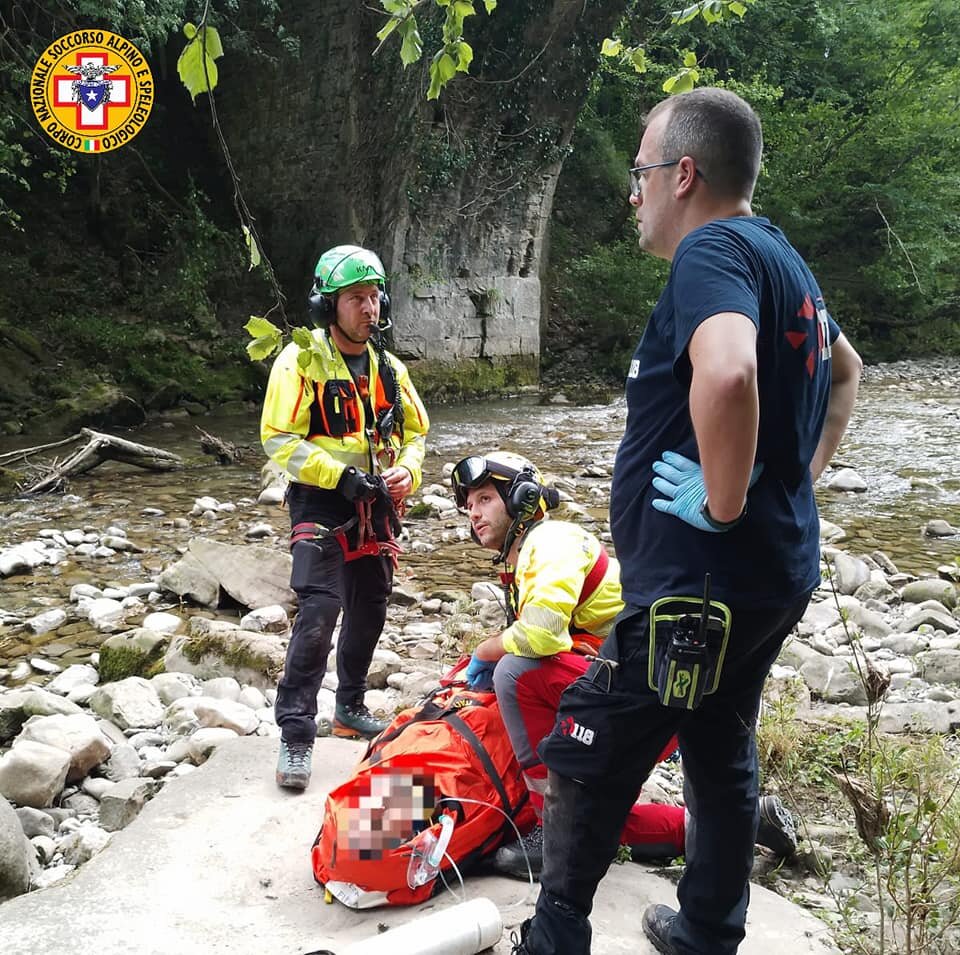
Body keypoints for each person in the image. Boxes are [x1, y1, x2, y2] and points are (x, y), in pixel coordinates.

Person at [512, 88, 863, 955]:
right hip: (768, 573)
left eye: (640, 172)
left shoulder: (710, 252)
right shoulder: (783, 259)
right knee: (716, 739)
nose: (633, 192)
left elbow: (732, 373)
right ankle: (707, 928)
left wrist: (724, 500)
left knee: (588, 746)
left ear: (685, 174)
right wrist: (795, 486)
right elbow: (847, 371)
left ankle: (553, 936)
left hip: (699, 592)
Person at [451, 451, 798, 880]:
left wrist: (484, 652)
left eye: (484, 499)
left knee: (513, 673)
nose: (474, 514)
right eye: (468, 506)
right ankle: (745, 824)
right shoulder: (531, 553)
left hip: (645, 698)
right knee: (595, 815)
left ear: (522, 498)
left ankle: (549, 830)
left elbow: (540, 635)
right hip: (644, 688)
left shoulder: (550, 542)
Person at [261, 244, 429, 791]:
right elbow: (277, 437)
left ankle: (350, 705)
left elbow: (415, 434)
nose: (369, 307)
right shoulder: (300, 361)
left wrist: (407, 470)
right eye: (357, 297)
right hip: (320, 499)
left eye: (375, 296)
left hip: (375, 502)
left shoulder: (388, 367)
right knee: (319, 609)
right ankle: (294, 734)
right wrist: (337, 475)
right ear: (328, 305)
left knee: (372, 604)